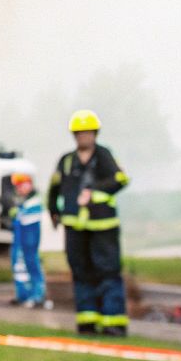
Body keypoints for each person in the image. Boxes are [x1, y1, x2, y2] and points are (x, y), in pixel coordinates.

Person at [53, 110, 130, 335]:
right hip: (75, 227)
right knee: (80, 271)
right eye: (79, 133)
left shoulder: (104, 156)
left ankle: (113, 323)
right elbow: (54, 187)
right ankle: (87, 321)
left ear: (95, 134)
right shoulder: (67, 161)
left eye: (87, 133)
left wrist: (94, 192)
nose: (83, 137)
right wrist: (53, 210)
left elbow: (121, 179)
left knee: (108, 272)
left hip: (102, 227)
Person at [5, 173, 49, 309]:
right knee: (20, 268)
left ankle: (37, 295)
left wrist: (16, 212)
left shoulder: (33, 201)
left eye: (21, 185)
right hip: (20, 243)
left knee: (32, 265)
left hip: (29, 241)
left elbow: (25, 220)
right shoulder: (23, 202)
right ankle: (23, 295)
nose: (18, 189)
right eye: (17, 186)